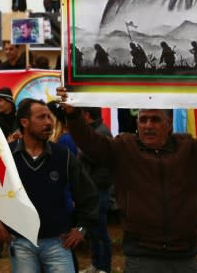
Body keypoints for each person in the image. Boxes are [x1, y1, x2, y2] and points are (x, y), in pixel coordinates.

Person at [58, 86, 197, 272]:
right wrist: (73, 113)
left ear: (169, 125)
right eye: (143, 120)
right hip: (141, 254)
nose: (148, 125)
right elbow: (89, 141)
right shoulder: (123, 149)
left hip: (184, 255)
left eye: (155, 119)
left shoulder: (191, 149)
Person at [0, 99, 98, 272]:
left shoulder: (63, 156)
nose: (48, 122)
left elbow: (88, 194)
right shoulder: (5, 156)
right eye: (41, 117)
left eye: (49, 117)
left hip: (58, 242)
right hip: (20, 241)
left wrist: (82, 228)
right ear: (24, 122)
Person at [80, 107, 114, 273]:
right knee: (93, 228)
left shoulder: (101, 133)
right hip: (92, 189)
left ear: (87, 115)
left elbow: (98, 159)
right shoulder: (94, 131)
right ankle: (96, 264)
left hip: (99, 189)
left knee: (100, 230)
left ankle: (105, 267)